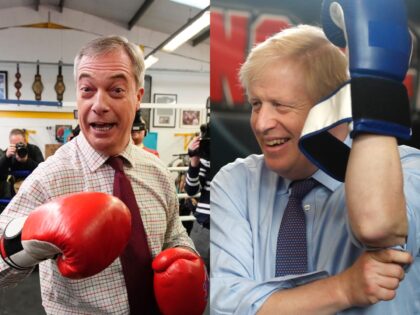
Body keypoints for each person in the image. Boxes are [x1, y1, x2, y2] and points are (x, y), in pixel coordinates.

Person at [210, 23, 419, 315]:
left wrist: (375, 92)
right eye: (257, 104)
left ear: (331, 109)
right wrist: (344, 289)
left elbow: (377, 226)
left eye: (280, 106)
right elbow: (228, 305)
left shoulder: (408, 170)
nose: (261, 123)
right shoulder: (237, 181)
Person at [0, 35, 207, 315]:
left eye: (117, 90)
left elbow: (174, 234)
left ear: (137, 97)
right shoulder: (51, 176)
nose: (99, 104)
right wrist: (28, 239)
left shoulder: (156, 170)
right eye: (87, 90)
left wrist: (187, 260)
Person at [186, 123, 211, 270]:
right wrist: (194, 162)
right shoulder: (204, 160)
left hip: (229, 227)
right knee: (199, 275)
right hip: (203, 227)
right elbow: (191, 190)